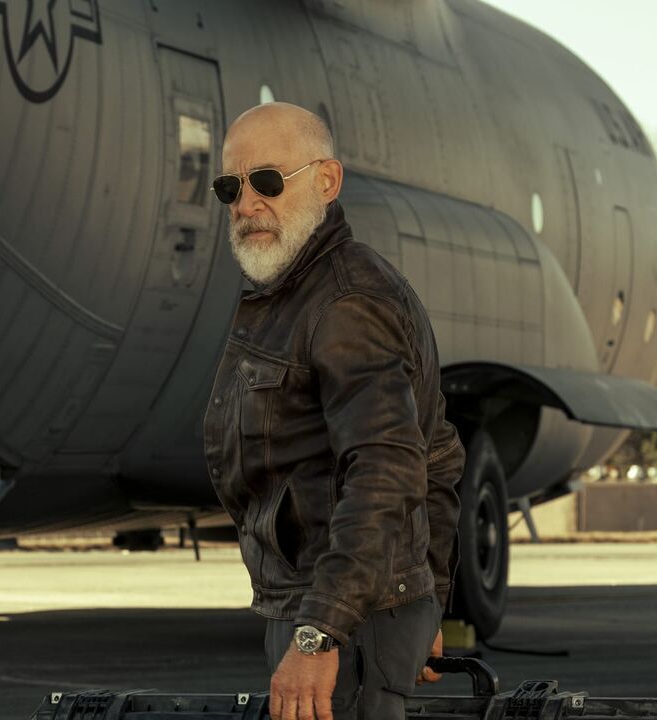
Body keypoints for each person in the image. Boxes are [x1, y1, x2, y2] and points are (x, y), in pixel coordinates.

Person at [201, 102, 465, 720]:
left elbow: (388, 470)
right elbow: (437, 453)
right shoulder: (298, 293)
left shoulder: (345, 303)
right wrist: (425, 599)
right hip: (346, 613)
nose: (246, 204)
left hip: (342, 624)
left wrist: (320, 633)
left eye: (268, 181)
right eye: (230, 187)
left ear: (326, 180)